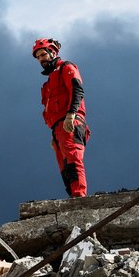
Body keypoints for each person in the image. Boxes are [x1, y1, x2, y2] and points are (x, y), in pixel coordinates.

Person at [33, 37, 90, 197]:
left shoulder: (66, 67)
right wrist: (53, 134)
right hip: (57, 128)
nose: (40, 60)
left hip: (70, 121)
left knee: (73, 159)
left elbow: (77, 89)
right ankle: (74, 197)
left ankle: (80, 197)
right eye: (38, 58)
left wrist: (71, 115)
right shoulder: (48, 83)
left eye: (43, 55)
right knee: (64, 168)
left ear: (52, 53)